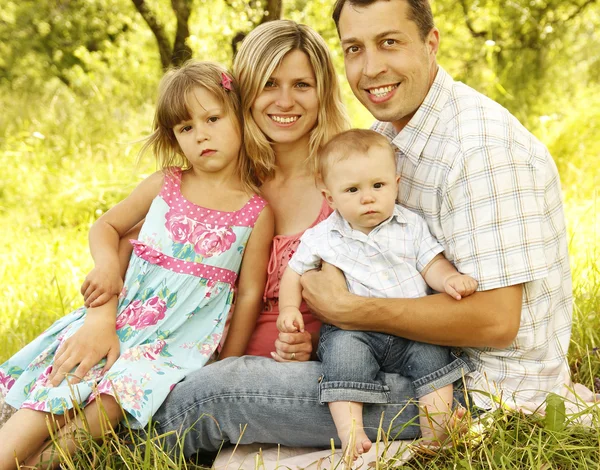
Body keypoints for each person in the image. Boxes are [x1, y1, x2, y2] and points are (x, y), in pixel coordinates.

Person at [149, 0, 573, 458]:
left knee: (214, 393)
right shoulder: (384, 140)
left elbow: (497, 322)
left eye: (389, 42)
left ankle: (118, 442)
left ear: (432, 44)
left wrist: (350, 308)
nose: (371, 68)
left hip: (476, 389)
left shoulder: (483, 151)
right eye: (354, 48)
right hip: (403, 355)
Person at [0, 60, 273, 468]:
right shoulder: (166, 184)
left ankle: (47, 463)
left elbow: (250, 291)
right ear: (174, 138)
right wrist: (108, 267)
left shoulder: (256, 211)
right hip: (121, 321)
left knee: (115, 398)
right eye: (185, 128)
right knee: (62, 386)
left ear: (239, 116)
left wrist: (225, 366)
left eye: (213, 118)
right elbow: (107, 225)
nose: (201, 135)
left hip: (172, 348)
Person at [277, 129, 476, 457]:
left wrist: (449, 279)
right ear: (330, 197)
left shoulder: (410, 225)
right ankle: (350, 431)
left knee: (433, 354)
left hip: (412, 326)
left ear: (396, 183)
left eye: (378, 186)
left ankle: (436, 433)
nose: (367, 198)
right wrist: (289, 309)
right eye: (352, 190)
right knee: (342, 355)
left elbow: (431, 264)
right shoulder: (324, 236)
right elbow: (294, 272)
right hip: (355, 331)